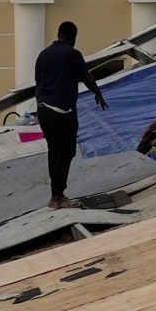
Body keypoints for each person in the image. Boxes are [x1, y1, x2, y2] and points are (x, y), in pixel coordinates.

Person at [31, 21, 108, 211]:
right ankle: (58, 197)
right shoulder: (73, 54)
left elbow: (38, 83)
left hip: (43, 109)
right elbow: (87, 76)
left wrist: (41, 105)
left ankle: (54, 195)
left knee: (53, 151)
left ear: (59, 35)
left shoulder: (43, 54)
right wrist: (98, 93)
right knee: (66, 152)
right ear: (73, 37)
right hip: (62, 111)